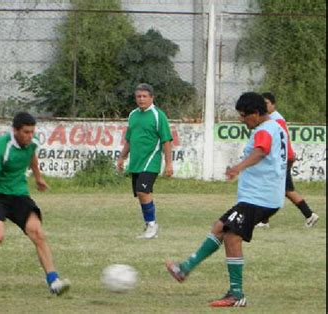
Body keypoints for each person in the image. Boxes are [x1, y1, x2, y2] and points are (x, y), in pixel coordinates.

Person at [166, 92, 288, 307]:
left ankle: (236, 294)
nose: (241, 120)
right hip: (262, 196)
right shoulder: (277, 126)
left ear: (257, 114)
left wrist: (238, 168)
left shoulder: (265, 130)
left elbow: (261, 151)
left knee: (232, 236)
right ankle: (184, 269)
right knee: (220, 227)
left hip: (260, 197)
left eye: (244, 116)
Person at [0, 112, 70, 295]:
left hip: (18, 192)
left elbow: (31, 154)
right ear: (15, 130)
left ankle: (53, 280)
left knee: (37, 232)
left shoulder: (32, 142)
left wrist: (38, 177)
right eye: (26, 132)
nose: (30, 136)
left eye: (32, 132)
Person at [117, 83, 173, 239]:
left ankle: (152, 225)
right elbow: (129, 139)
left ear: (151, 98)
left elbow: (166, 140)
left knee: (143, 191)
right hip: (136, 162)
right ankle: (150, 225)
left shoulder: (157, 115)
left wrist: (168, 163)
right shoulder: (133, 115)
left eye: (144, 96)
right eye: (138, 97)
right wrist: (122, 157)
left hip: (151, 161)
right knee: (141, 194)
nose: (141, 99)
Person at [255, 92, 319, 228]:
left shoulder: (277, 120)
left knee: (286, 190)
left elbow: (284, 140)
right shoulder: (270, 119)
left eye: (266, 103)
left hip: (280, 161)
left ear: (273, 104)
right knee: (279, 189)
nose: (264, 106)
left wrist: (289, 157)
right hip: (278, 161)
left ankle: (309, 215)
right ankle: (264, 220)